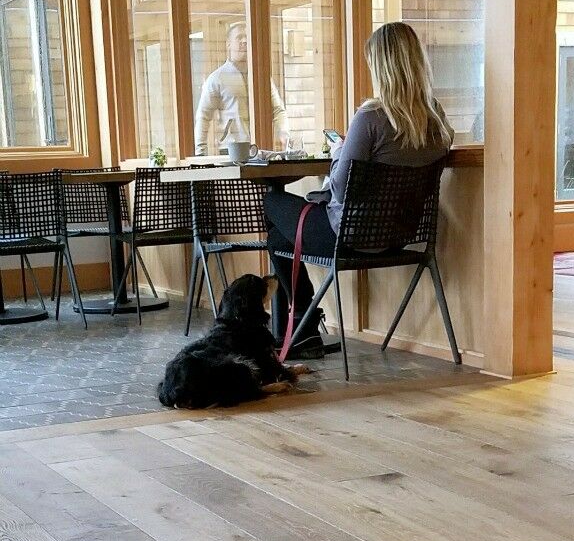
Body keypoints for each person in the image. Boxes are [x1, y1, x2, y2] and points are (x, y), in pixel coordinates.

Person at [264, 21, 454, 358]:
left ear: (381, 67)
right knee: (280, 239)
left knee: (273, 202)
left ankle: (302, 329)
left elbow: (340, 187)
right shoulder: (437, 121)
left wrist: (338, 153)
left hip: (349, 237)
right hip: (400, 238)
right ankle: (301, 330)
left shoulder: (370, 117)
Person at [194, 23, 288, 155]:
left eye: (247, 38)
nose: (244, 41)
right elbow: (203, 115)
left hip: (262, 149)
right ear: (228, 44)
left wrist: (284, 135)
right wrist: (200, 152)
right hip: (232, 150)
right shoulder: (217, 78)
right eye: (239, 37)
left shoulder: (261, 77)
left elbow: (278, 110)